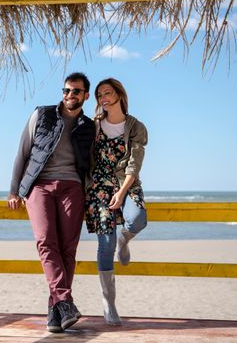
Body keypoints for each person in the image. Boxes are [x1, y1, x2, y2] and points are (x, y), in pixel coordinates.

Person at [8, 72, 95, 332]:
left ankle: (55, 312)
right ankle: (65, 301)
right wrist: (14, 191)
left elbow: (90, 164)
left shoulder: (89, 126)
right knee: (46, 241)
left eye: (76, 91)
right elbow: (22, 152)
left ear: (85, 96)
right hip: (39, 186)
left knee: (68, 249)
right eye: (66, 90)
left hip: (73, 188)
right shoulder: (42, 114)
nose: (70, 95)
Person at [84, 78, 148, 325]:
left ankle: (126, 239)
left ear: (120, 95)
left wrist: (121, 194)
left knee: (137, 219)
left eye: (108, 93)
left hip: (127, 184)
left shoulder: (136, 127)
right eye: (100, 95)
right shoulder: (95, 126)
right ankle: (108, 303)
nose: (103, 98)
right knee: (105, 243)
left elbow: (135, 163)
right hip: (99, 187)